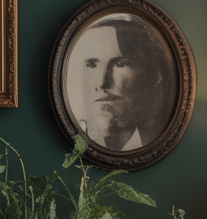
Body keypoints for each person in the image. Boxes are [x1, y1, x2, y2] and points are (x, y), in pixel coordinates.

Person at [67, 14, 175, 151]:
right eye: (92, 64)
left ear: (155, 74)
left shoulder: (157, 141)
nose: (102, 83)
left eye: (120, 64)